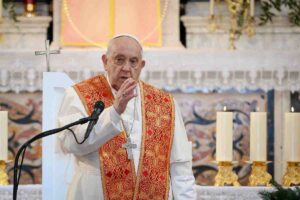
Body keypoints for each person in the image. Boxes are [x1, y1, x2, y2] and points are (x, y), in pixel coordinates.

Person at [57, 34, 196, 200]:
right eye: (119, 59)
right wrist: (114, 112)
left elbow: (180, 166)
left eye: (133, 61)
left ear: (141, 65)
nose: (126, 68)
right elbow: (72, 145)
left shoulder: (164, 103)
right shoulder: (78, 95)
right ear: (105, 61)